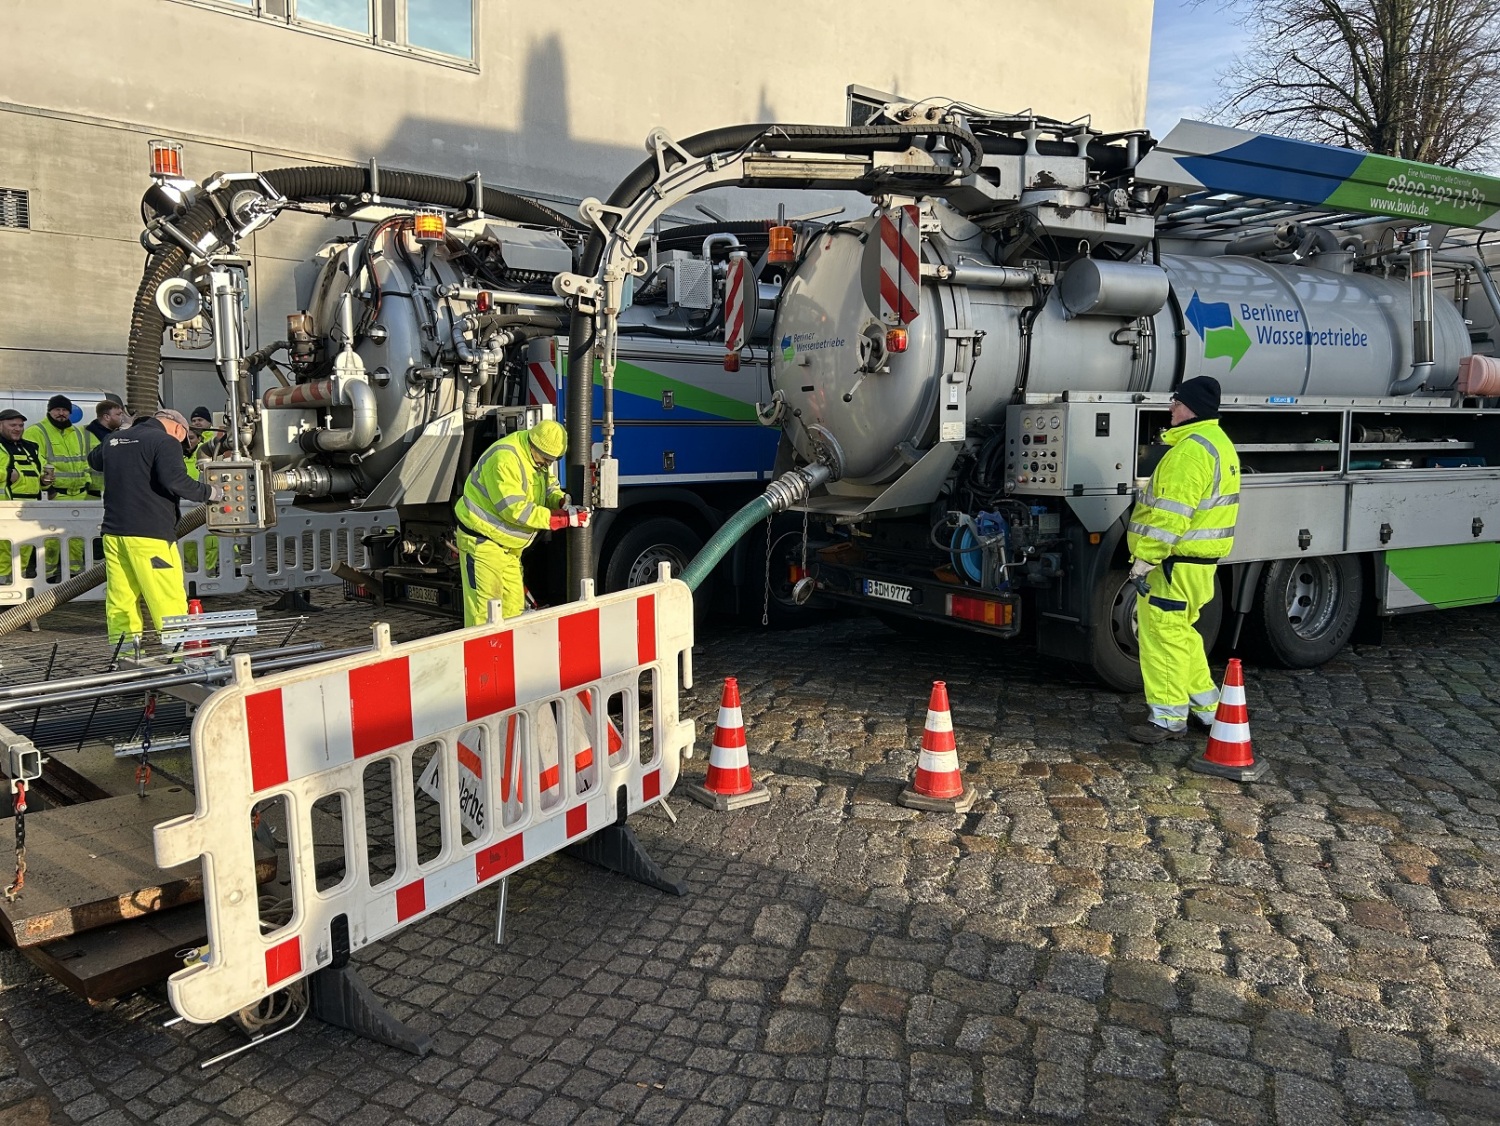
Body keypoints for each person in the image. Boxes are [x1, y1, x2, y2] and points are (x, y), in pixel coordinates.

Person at [1125, 376, 1240, 744]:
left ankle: (1167, 717)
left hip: (1173, 562)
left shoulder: (1189, 452)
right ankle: (1209, 708)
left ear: (1191, 408)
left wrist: (1144, 559)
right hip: (1195, 565)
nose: (1170, 408)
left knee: (1162, 636)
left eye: (1175, 402)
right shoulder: (1218, 444)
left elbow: (1171, 517)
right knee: (1181, 633)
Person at [88, 408, 218, 642]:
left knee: (121, 600)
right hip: (150, 535)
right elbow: (175, 481)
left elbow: (94, 460)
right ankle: (179, 656)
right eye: (185, 437)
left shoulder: (115, 439)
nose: (183, 443)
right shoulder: (165, 441)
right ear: (178, 428)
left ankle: (124, 653)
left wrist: (122, 431)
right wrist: (212, 492)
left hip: (114, 533)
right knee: (167, 598)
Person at [452, 418, 587, 626]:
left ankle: (506, 655)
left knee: (514, 610)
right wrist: (561, 518)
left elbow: (548, 485)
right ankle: (485, 658)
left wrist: (561, 500)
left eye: (552, 461)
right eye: (546, 459)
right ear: (535, 445)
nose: (548, 465)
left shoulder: (535, 456)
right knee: (484, 615)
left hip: (507, 548)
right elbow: (516, 511)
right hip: (483, 545)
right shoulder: (505, 458)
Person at [0, 409, 48, 583]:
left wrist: (45, 480)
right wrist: (6, 475)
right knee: (4, 549)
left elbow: (40, 470)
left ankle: (17, 587)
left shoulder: (30, 447)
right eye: (13, 425)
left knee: (25, 546)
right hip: (4, 509)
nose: (18, 428)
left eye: (20, 425)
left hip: (29, 509)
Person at [24, 395, 90, 501]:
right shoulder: (35, 432)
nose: (61, 413)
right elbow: (33, 462)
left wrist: (87, 481)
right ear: (49, 411)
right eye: (57, 409)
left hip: (80, 494)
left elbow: (84, 460)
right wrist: (47, 488)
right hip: (53, 495)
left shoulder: (76, 432)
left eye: (65, 410)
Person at [84, 400, 128, 498]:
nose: (123, 418)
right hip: (93, 493)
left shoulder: (116, 434)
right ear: (106, 417)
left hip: (114, 491)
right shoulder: (88, 434)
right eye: (119, 414)